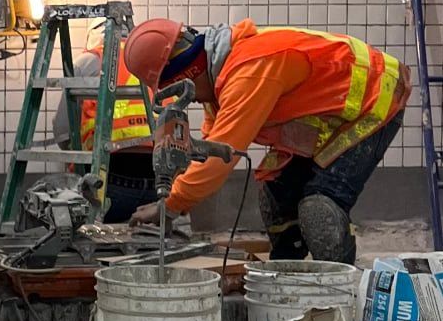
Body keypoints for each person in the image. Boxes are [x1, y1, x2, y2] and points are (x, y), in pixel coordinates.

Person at [121, 18, 410, 264]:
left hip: (376, 98)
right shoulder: (219, 83)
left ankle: (341, 293)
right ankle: (287, 278)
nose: (187, 99)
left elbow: (219, 161)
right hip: (331, 118)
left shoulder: (250, 69)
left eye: (178, 89)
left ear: (187, 73)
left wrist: (170, 205)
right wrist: (174, 199)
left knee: (321, 206)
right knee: (274, 195)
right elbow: (211, 150)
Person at [50, 27, 154, 222]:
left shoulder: (90, 61)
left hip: (109, 184)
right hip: (161, 189)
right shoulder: (153, 60)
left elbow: (63, 132)